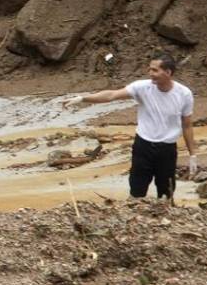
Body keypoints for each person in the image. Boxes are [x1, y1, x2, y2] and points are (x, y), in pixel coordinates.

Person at [66, 54, 197, 200]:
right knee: (136, 191)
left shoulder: (184, 94)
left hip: (167, 149)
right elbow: (111, 95)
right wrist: (83, 98)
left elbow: (187, 125)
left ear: (168, 72)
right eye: (149, 69)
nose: (150, 74)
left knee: (166, 193)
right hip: (143, 147)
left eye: (155, 70)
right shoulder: (142, 87)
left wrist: (193, 155)